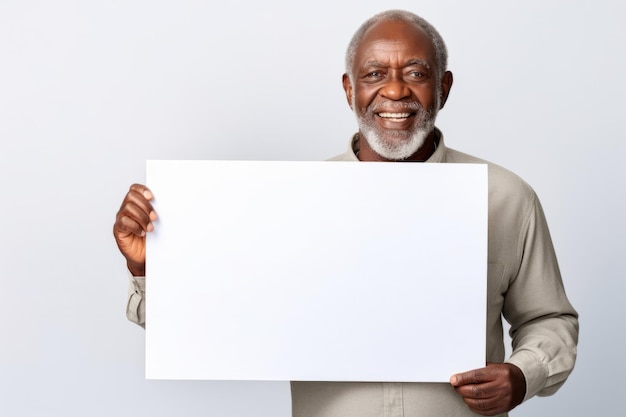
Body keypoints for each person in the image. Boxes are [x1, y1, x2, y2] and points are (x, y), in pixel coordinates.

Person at [113, 9, 578, 417]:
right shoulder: (287, 202)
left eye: (415, 72)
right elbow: (213, 321)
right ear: (349, 89)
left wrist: (522, 375)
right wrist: (147, 267)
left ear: (444, 86)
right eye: (374, 74)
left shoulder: (506, 196)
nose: (395, 90)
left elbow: (548, 318)